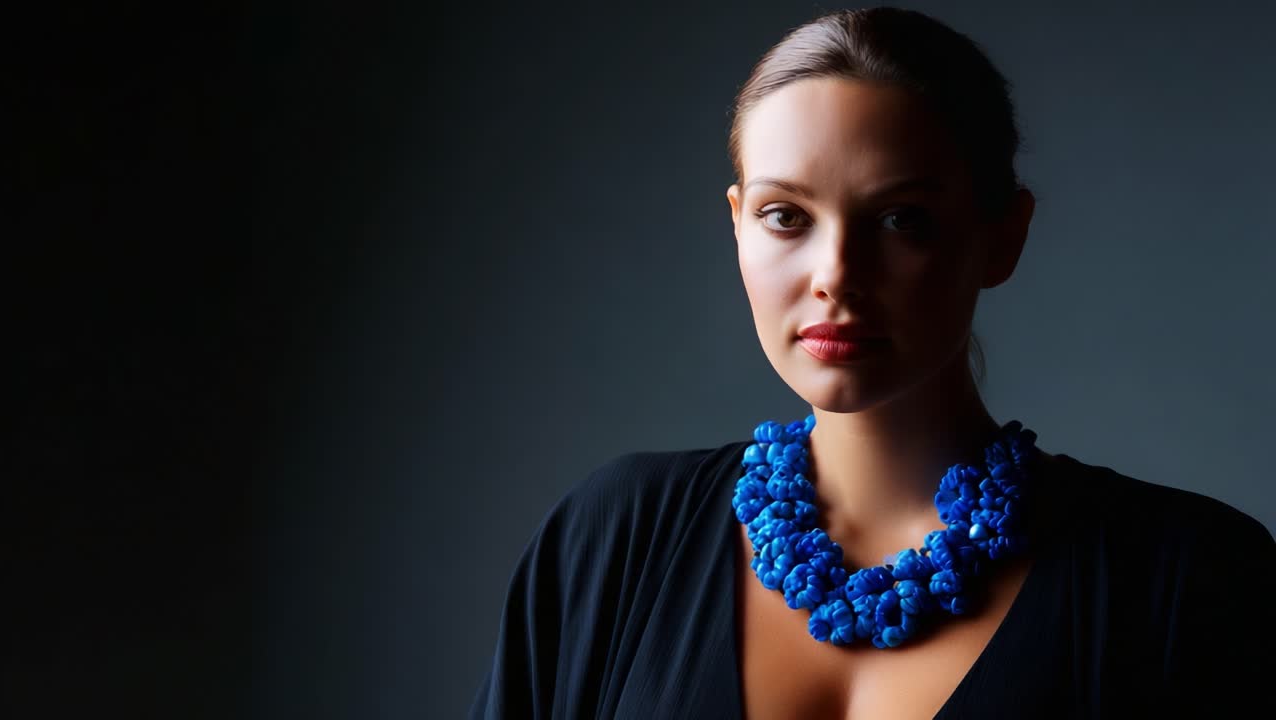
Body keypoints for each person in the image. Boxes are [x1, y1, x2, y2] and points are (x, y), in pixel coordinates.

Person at [468, 7, 1276, 719]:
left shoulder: (1188, 583)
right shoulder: (612, 540)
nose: (835, 276)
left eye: (900, 220)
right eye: (785, 216)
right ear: (737, 224)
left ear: (1004, 235)